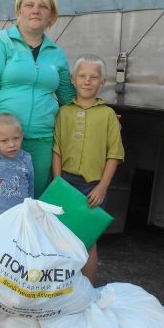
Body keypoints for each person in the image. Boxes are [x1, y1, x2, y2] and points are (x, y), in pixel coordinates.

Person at [0, 0, 75, 237]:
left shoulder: (56, 54)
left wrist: (101, 116)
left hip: (40, 143)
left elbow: (69, 99)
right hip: (0, 142)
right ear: (19, 10)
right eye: (29, 5)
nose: (36, 10)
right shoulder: (0, 42)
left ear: (51, 14)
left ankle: (12, 260)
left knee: (29, 208)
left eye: (43, 6)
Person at [52, 54, 124, 284]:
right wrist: (58, 182)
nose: (87, 81)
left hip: (93, 188)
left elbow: (115, 154)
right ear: (73, 80)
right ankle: (60, 289)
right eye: (82, 76)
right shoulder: (63, 112)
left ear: (103, 82)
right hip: (66, 183)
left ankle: (89, 291)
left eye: (94, 77)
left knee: (88, 241)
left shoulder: (108, 115)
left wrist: (102, 187)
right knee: (59, 238)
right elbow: (57, 149)